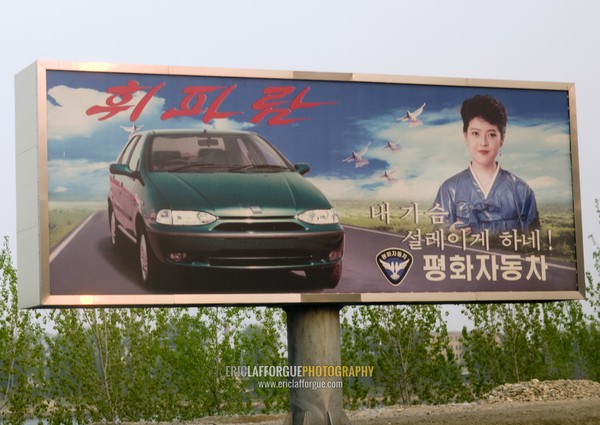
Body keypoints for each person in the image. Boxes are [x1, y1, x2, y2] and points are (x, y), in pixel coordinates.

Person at [433, 94, 539, 235]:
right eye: (475, 133)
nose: (483, 142)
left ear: (502, 139)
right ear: (466, 136)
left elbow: (535, 243)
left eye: (491, 134)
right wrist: (450, 232)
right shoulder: (449, 189)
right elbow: (436, 240)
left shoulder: (521, 191)